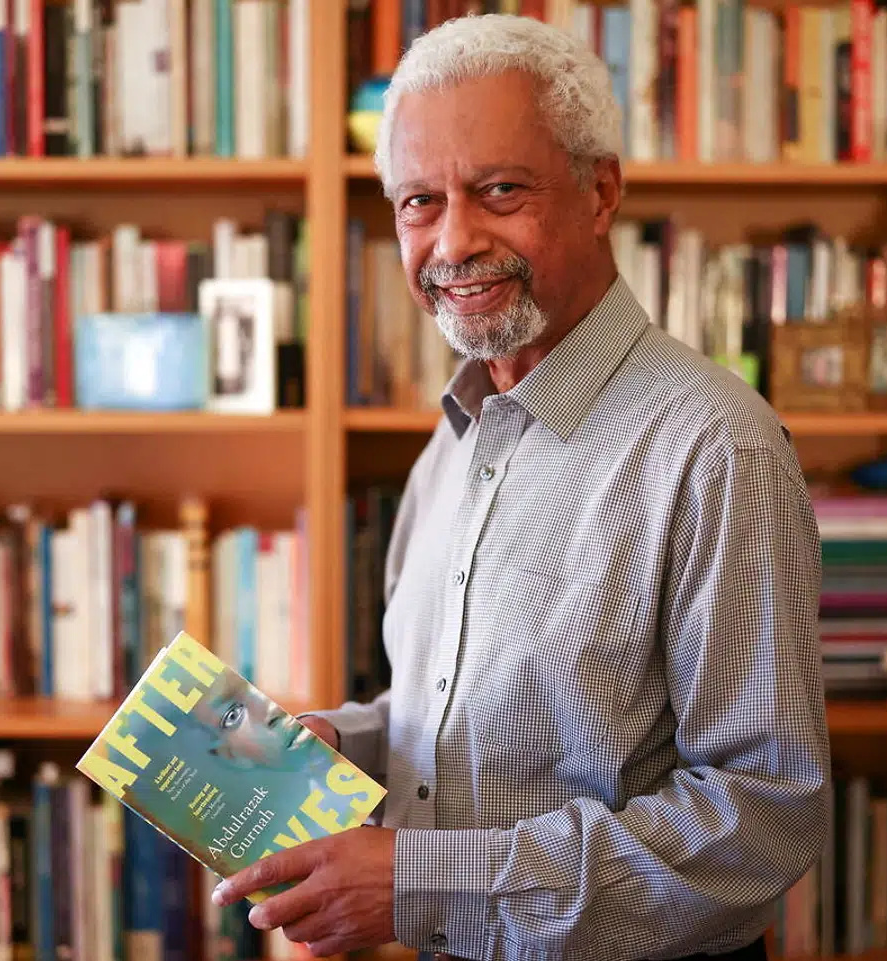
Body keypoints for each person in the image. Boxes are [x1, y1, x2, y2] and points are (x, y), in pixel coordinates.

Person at [211, 14, 832, 961]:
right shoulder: (456, 436)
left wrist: (420, 881)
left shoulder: (717, 444)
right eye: (419, 202)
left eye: (500, 190)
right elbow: (487, 727)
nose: (454, 241)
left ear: (601, 191)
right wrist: (349, 746)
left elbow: (763, 817)